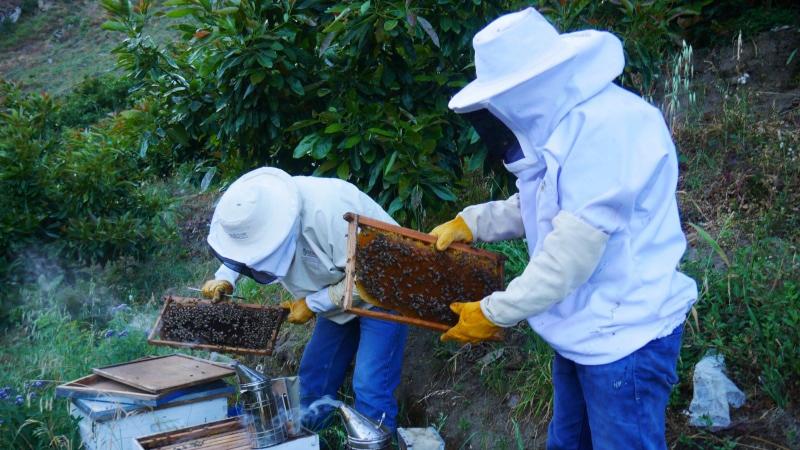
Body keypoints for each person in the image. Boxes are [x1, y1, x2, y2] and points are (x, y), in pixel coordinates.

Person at [429, 8, 697, 450]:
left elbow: (570, 253)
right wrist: (473, 222)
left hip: (624, 336)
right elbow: (540, 203)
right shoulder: (565, 128)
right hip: (581, 328)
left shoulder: (610, 128)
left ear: (525, 92)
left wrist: (494, 310)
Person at [200, 167, 408, 431]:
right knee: (314, 374)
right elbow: (246, 247)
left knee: (369, 383)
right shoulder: (261, 208)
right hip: (335, 286)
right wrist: (226, 276)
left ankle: (374, 441)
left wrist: (311, 304)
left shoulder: (330, 211)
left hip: (385, 287)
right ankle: (310, 437)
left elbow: (376, 276)